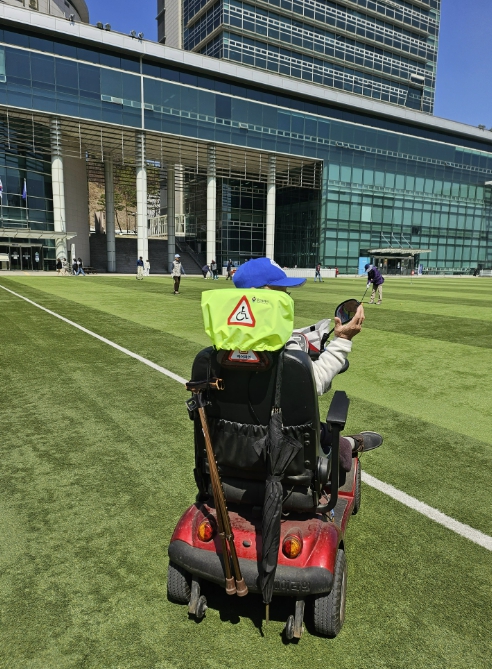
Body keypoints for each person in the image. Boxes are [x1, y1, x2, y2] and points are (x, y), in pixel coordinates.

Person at [232, 257, 383, 472]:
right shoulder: (283, 348)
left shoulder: (221, 347)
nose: (288, 301)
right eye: (283, 295)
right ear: (259, 297)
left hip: (234, 446)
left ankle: (345, 442)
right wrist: (343, 339)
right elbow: (315, 383)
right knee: (324, 433)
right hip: (286, 447)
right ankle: (349, 444)